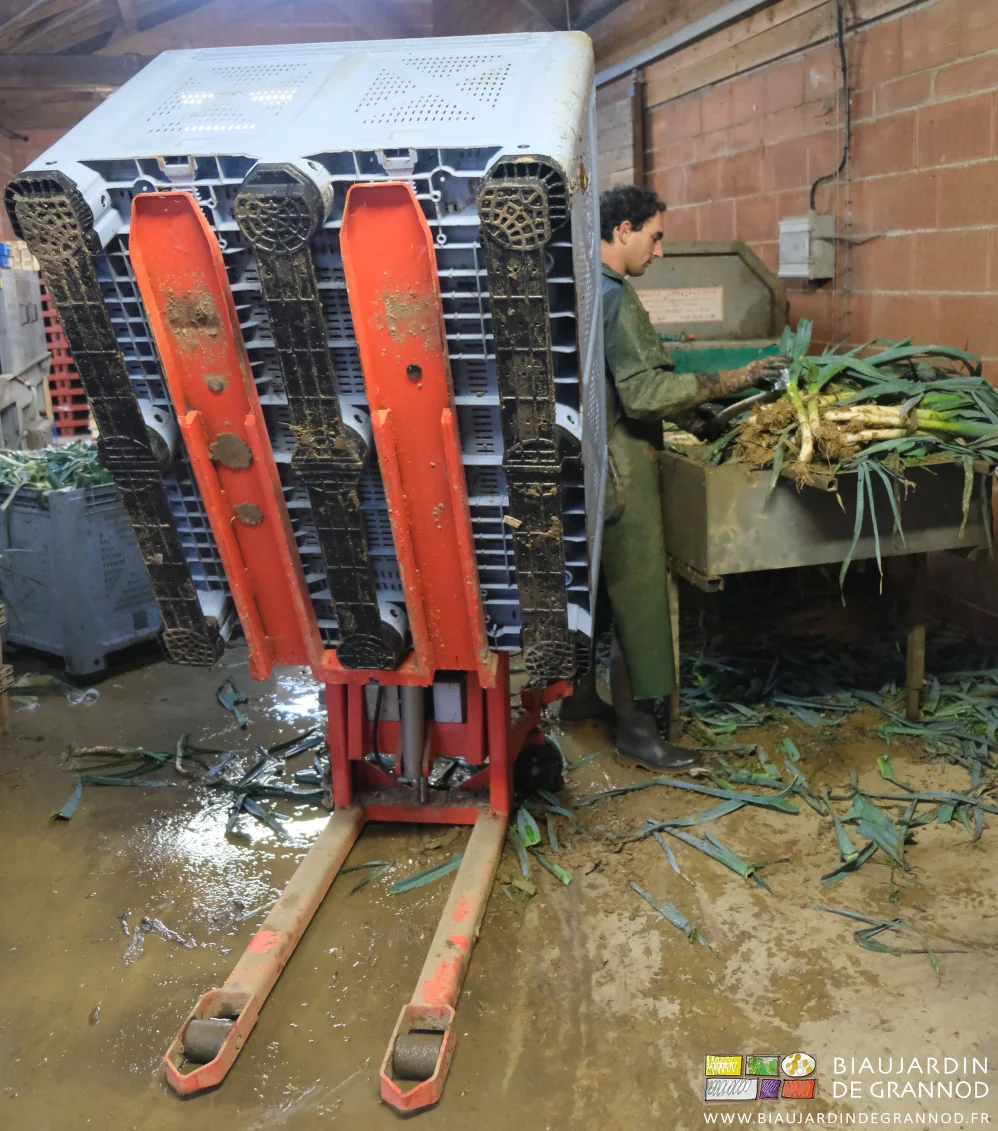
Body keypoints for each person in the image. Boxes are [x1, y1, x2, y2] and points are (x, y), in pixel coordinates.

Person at [562, 185, 787, 771]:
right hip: (623, 470)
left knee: (597, 596)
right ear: (622, 231)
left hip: (589, 466)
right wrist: (738, 379)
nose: (659, 251)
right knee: (641, 599)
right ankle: (641, 734)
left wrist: (700, 417)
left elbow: (628, 379)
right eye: (655, 236)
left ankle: (582, 700)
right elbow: (642, 394)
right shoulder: (615, 297)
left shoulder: (585, 289)